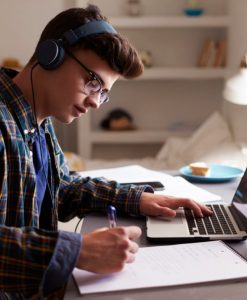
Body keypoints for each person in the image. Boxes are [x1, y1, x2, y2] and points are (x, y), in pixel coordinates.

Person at [0, 4, 212, 299]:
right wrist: (76, 251)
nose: (96, 103)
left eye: (103, 92)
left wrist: (139, 199)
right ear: (51, 55)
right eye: (93, 82)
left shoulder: (37, 121)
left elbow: (62, 190)